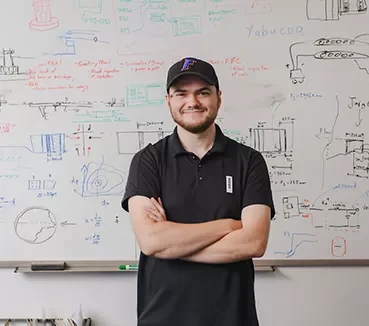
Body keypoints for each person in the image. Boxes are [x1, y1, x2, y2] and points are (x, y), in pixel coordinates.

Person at [121, 57, 275, 326]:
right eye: (181, 93)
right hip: (161, 318)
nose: (192, 102)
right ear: (168, 100)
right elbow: (150, 242)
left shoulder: (249, 161)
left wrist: (170, 242)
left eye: (203, 92)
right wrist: (229, 225)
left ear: (218, 97)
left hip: (232, 318)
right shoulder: (148, 161)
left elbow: (253, 242)